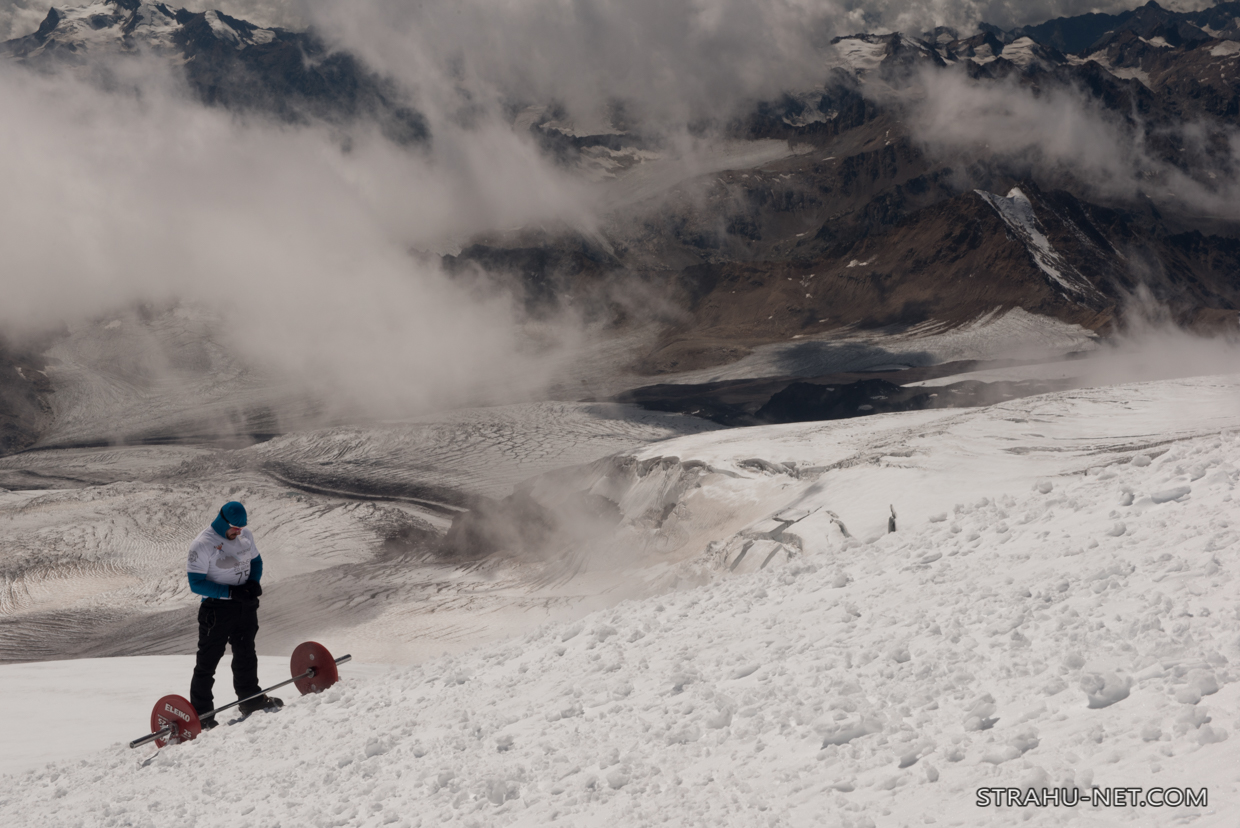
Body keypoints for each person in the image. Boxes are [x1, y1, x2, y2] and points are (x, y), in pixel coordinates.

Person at [187, 500, 281, 727]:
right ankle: (202, 716)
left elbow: (256, 561)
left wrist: (252, 585)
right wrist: (230, 592)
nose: (238, 531)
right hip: (217, 611)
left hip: (244, 606)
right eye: (234, 527)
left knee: (246, 652)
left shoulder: (245, 535)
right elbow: (196, 583)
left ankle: (250, 700)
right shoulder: (202, 544)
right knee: (208, 662)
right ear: (222, 521)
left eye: (241, 528)